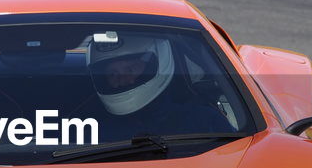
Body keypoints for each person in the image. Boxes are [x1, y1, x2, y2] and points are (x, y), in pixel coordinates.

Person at [84, 32, 233, 140]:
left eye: (130, 69)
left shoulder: (204, 121)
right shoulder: (94, 131)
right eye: (112, 74)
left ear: (157, 64)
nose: (123, 79)